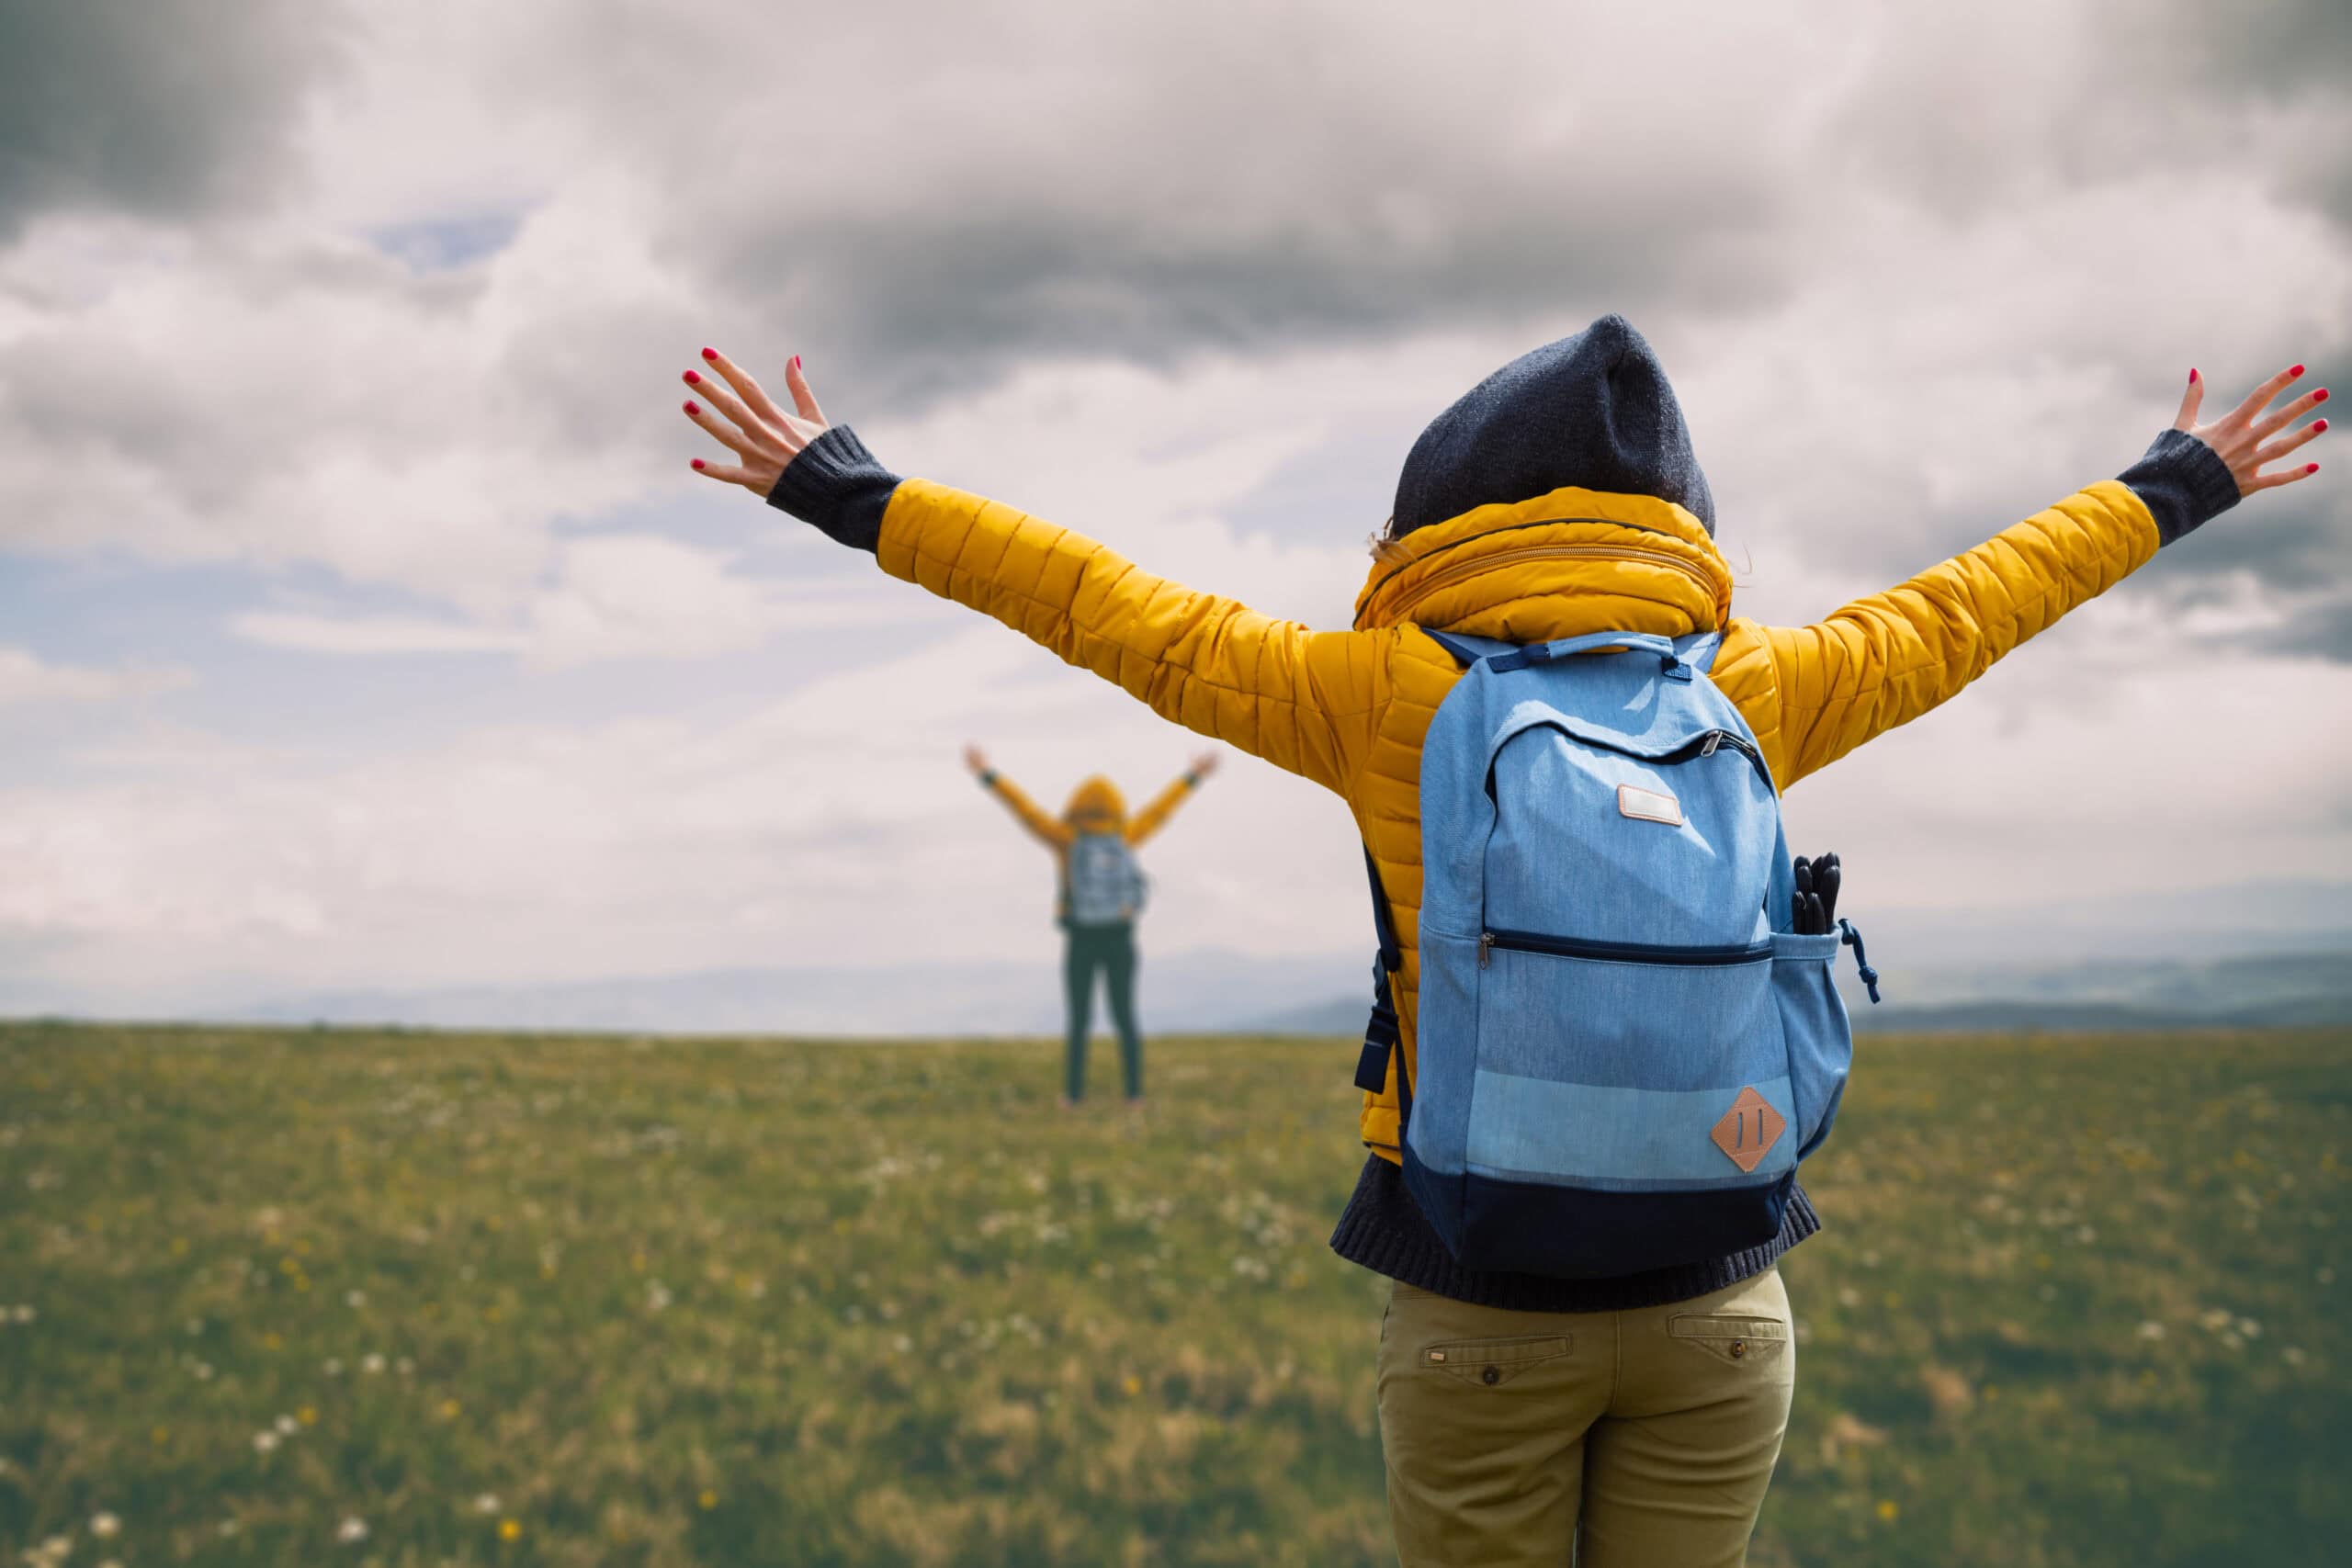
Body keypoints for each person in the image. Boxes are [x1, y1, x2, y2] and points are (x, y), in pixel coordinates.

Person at [673, 321, 2324, 1565]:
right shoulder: (1750, 694)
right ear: (1675, 523)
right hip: (1726, 1297)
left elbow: (1102, 602)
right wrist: (2177, 480)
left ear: (1438, 517)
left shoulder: (1377, 695)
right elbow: (1974, 604)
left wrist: (852, 492)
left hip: (1477, 1300)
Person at [959, 744, 1218, 1107]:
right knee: (1125, 1016)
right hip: (1120, 936)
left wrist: (987, 773)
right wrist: (1192, 777)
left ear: (1076, 805)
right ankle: (1134, 1094)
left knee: (1079, 1019)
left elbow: (1025, 810)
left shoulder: (1066, 839)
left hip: (1080, 936)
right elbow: (1161, 811)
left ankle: (1074, 1095)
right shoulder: (1126, 835)